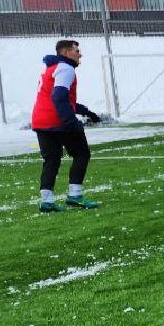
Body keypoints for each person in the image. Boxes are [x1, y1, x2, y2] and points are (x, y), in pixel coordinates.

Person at [31, 38, 99, 212]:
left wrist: (86, 112)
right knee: (82, 154)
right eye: (77, 51)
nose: (80, 54)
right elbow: (59, 97)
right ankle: (75, 196)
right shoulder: (66, 68)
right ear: (67, 52)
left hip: (40, 120)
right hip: (58, 121)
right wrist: (72, 122)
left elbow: (59, 98)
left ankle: (46, 201)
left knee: (51, 159)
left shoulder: (51, 68)